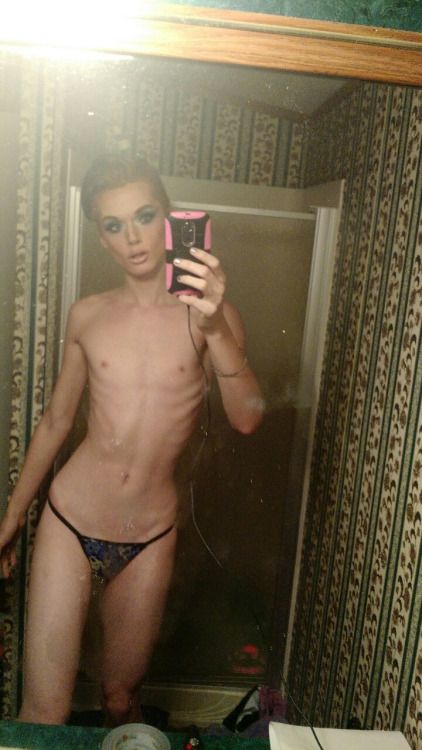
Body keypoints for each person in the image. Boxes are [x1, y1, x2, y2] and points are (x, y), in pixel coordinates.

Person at [0, 154, 264, 726]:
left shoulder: (211, 316)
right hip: (70, 522)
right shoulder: (88, 315)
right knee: (45, 708)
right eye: (114, 225)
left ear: (169, 218)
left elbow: (247, 418)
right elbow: (56, 421)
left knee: (121, 699)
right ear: (101, 237)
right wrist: (12, 519)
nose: (133, 238)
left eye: (144, 216)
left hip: (150, 533)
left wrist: (214, 325)